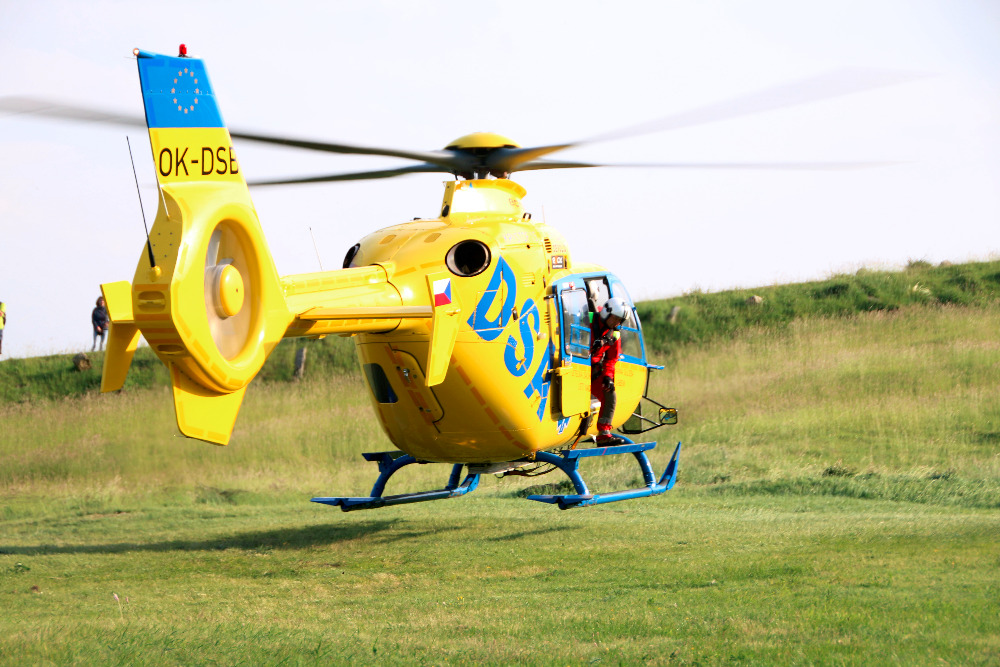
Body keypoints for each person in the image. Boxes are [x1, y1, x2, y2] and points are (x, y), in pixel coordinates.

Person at [590, 296, 628, 445]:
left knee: (610, 394)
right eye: (615, 318)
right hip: (576, 367)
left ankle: (604, 434)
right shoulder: (587, 320)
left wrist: (608, 377)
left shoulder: (615, 334)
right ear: (606, 312)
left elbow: (611, 359)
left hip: (593, 371)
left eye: (620, 320)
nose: (616, 323)